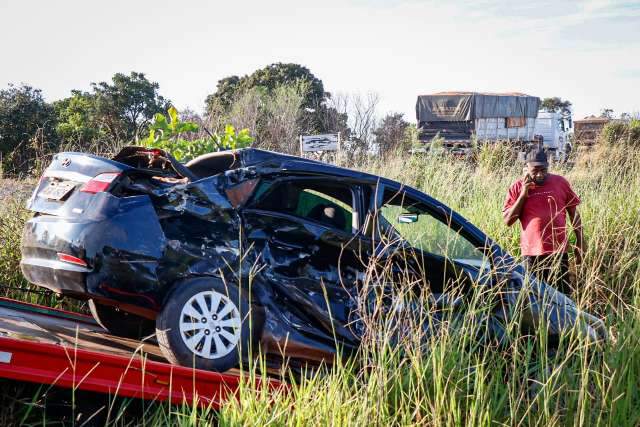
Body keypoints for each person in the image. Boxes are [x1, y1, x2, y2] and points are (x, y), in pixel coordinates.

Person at [502, 145, 584, 295]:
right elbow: (508, 221)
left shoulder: (560, 183)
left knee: (562, 298)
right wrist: (523, 195)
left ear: (548, 167)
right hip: (532, 254)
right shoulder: (517, 187)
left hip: (558, 252)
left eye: (543, 170)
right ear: (526, 168)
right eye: (535, 171)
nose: (540, 175)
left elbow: (574, 215)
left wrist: (580, 243)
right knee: (535, 297)